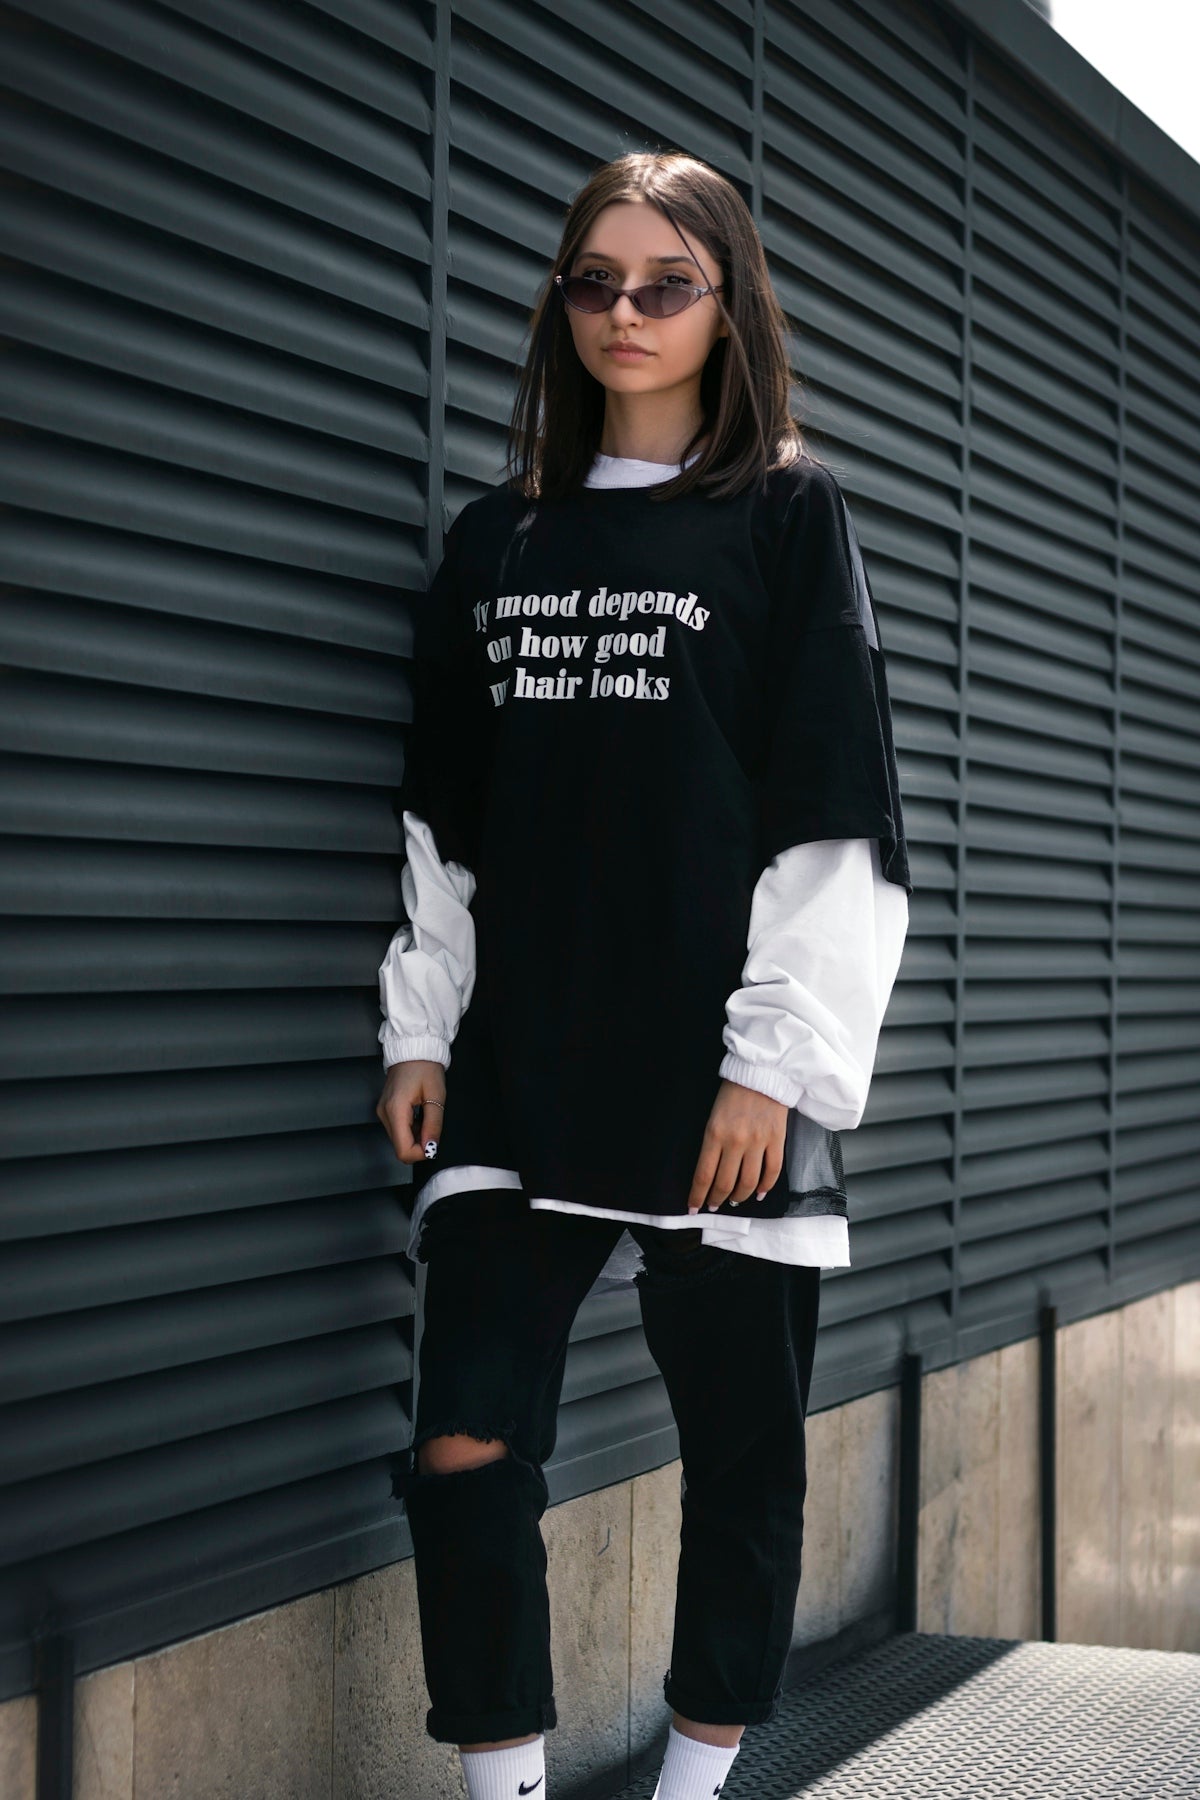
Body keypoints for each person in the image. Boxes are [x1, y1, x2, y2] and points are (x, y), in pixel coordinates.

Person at [375, 149, 912, 1800]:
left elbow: (838, 811)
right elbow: (444, 820)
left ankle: (694, 1783)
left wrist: (776, 1063)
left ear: (727, 308)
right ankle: (506, 1782)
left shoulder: (784, 516)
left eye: (665, 282)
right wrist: (420, 1025)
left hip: (715, 1070)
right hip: (521, 1059)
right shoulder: (498, 541)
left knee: (738, 1459)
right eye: (593, 280)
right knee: (466, 1438)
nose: (625, 311)